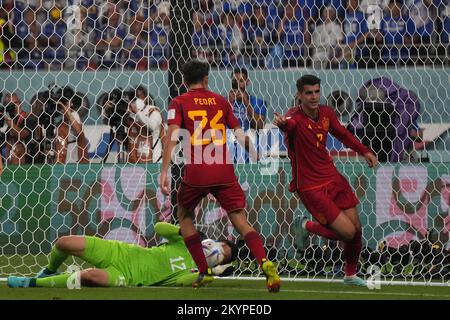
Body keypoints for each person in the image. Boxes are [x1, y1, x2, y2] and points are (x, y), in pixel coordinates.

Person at [159, 60, 280, 292]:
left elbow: (172, 137)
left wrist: (164, 171)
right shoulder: (221, 101)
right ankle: (264, 262)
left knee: (184, 217)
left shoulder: (179, 102)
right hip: (224, 169)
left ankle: (204, 272)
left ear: (184, 81)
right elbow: (241, 135)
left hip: (197, 170)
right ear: (206, 79)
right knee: (240, 221)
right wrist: (256, 155)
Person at [273, 75, 378, 286]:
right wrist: (283, 125)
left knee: (357, 230)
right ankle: (306, 226)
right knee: (347, 233)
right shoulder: (293, 119)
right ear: (299, 95)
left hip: (332, 178)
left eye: (317, 92)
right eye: (308, 93)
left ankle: (350, 274)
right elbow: (289, 127)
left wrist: (365, 151)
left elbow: (343, 136)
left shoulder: (326, 113)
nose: (314, 97)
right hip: (311, 187)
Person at [7, 222, 237, 288]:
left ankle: (34, 283)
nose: (216, 252)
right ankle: (48, 270)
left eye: (221, 256)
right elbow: (158, 227)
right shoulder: (186, 243)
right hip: (121, 252)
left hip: (126, 277)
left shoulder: (194, 272)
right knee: (64, 243)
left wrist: (207, 274)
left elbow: (184, 282)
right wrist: (185, 232)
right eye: (219, 246)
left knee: (89, 277)